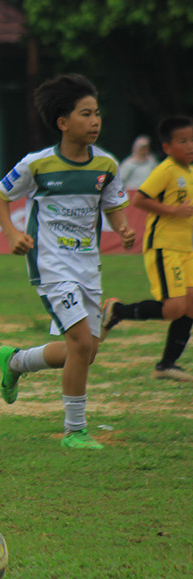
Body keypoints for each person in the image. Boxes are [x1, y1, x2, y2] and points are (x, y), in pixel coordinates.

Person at [0, 73, 135, 450]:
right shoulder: (37, 164)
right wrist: (12, 234)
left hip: (87, 265)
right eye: (86, 114)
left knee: (85, 351)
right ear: (63, 122)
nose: (95, 121)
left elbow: (113, 204)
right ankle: (75, 431)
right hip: (51, 264)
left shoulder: (106, 165)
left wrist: (122, 227)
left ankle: (16, 361)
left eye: (97, 113)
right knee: (81, 343)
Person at [99, 117, 193, 382]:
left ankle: (166, 365)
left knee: (191, 306)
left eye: (192, 139)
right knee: (174, 308)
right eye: (183, 141)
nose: (190, 145)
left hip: (186, 248)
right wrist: (173, 211)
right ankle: (117, 311)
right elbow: (139, 199)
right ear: (167, 147)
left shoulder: (189, 172)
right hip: (164, 246)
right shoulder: (166, 170)